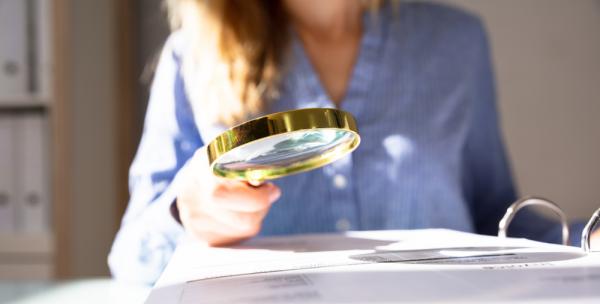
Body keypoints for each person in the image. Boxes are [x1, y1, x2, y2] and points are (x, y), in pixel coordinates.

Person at [109, 0, 598, 284]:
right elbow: (130, 260)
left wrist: (587, 238)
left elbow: (496, 217)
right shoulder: (191, 57)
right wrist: (184, 214)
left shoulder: (457, 43)